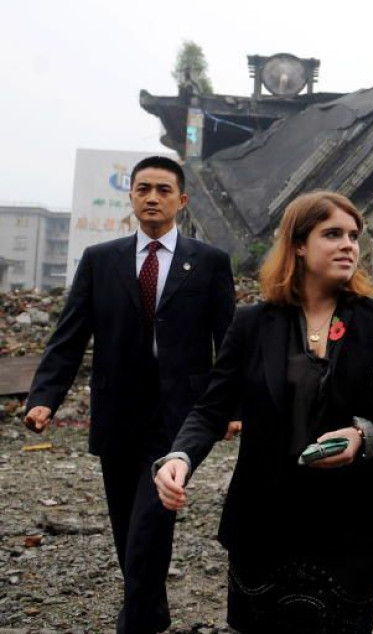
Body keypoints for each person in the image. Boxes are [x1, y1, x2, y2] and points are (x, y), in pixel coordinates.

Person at [153, 191, 373, 634]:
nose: (348, 245)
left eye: (353, 236)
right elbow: (210, 408)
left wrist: (364, 435)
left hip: (351, 520)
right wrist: (180, 457)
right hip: (265, 520)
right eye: (332, 234)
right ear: (298, 244)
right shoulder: (252, 322)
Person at [23, 156, 237, 634]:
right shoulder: (102, 260)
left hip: (178, 417)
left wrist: (231, 406)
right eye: (143, 189)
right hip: (117, 412)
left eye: (163, 189)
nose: (152, 197)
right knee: (127, 526)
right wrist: (45, 397)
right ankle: (153, 611)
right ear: (132, 197)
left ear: (181, 200)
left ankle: (136, 623)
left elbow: (229, 343)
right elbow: (69, 336)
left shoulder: (209, 263)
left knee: (149, 522)